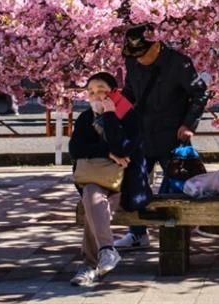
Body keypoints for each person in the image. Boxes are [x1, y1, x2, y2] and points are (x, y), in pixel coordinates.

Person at [114, 24, 210, 250]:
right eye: (135, 55)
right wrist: (114, 111)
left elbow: (200, 93)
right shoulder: (132, 62)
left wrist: (189, 124)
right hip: (141, 133)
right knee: (134, 183)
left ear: (157, 45)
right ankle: (137, 233)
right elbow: (130, 92)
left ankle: (178, 232)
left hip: (172, 134)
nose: (140, 59)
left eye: (143, 54)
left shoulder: (179, 62)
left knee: (177, 185)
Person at [69, 72, 152, 287]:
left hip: (125, 185)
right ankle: (107, 251)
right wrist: (108, 153)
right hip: (96, 180)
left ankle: (89, 265)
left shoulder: (130, 116)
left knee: (92, 206)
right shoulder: (86, 118)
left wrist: (109, 117)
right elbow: (75, 148)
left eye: (101, 90)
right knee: (91, 195)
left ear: (114, 92)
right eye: (91, 92)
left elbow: (123, 147)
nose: (96, 95)